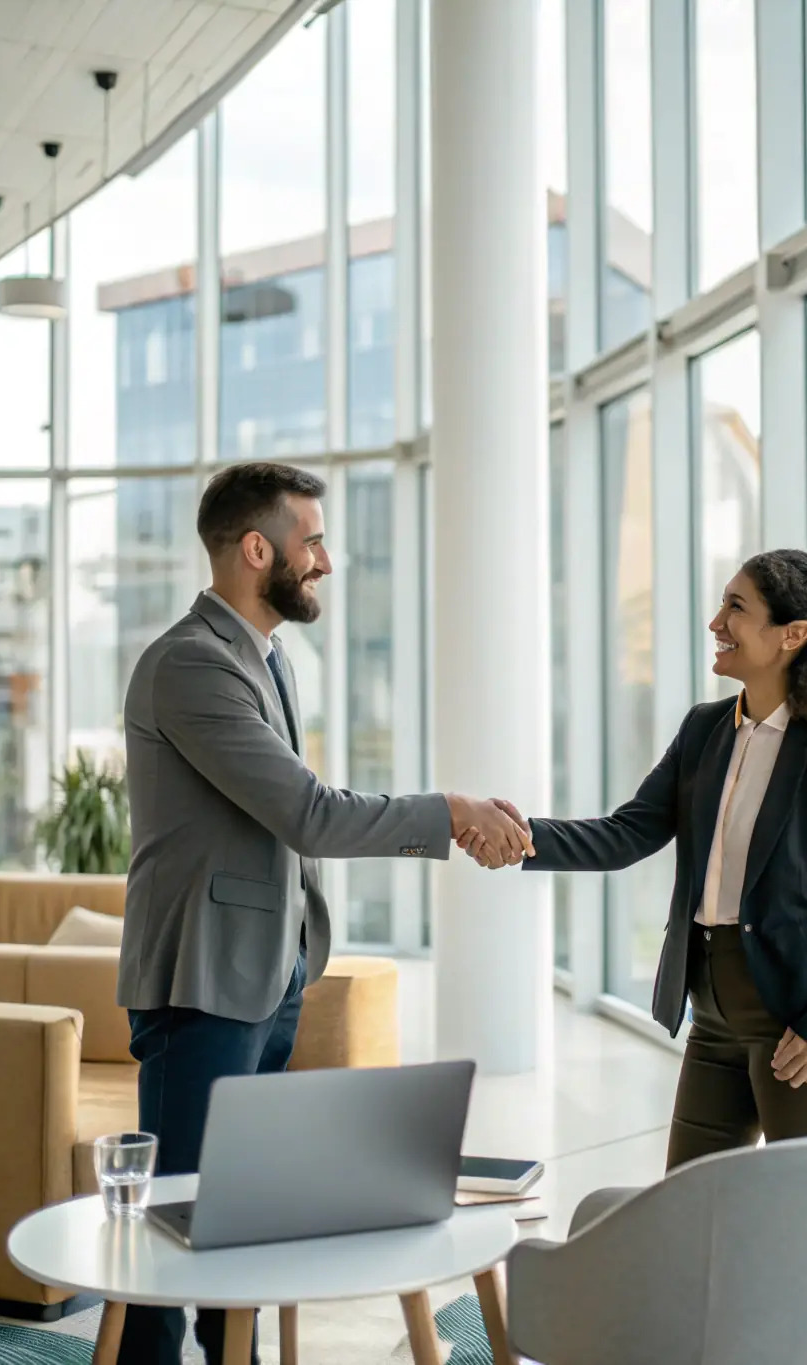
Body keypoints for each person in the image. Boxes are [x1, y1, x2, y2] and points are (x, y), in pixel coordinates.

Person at [116, 462, 530, 1365]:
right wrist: (450, 812)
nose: (327, 562)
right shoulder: (190, 663)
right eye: (312, 541)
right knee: (172, 1227)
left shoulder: (263, 657)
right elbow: (308, 811)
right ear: (255, 549)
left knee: (247, 1214)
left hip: (267, 971)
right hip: (204, 979)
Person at [461, 548, 807, 1169]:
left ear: (792, 635)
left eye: (737, 607)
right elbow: (626, 834)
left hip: (799, 1025)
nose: (715, 622)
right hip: (711, 1017)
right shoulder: (704, 729)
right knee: (689, 1202)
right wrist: (519, 837)